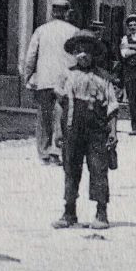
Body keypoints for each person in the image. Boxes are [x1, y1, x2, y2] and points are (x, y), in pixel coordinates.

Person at [53, 29, 119, 230]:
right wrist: (58, 130)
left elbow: (112, 107)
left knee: (98, 168)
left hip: (97, 130)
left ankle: (101, 211)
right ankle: (69, 210)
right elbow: (59, 105)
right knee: (71, 168)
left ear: (94, 53)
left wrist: (113, 132)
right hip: (72, 127)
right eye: (79, 50)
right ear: (73, 52)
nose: (83, 55)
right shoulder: (67, 75)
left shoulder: (103, 78)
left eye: (87, 50)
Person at [23, 0, 75, 164]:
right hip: (65, 80)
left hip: (44, 79)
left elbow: (30, 56)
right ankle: (56, 150)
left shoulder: (41, 30)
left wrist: (27, 76)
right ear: (67, 12)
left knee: (44, 116)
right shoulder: (74, 31)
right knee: (62, 115)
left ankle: (44, 152)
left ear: (53, 12)